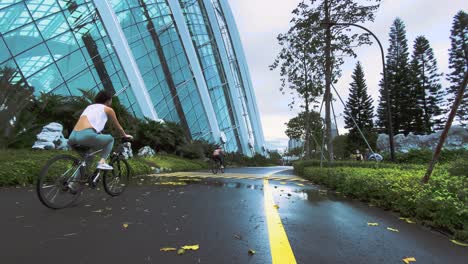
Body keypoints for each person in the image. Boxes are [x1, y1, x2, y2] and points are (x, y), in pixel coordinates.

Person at [68, 90, 133, 171]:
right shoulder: (108, 109)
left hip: (72, 137)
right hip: (85, 136)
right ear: (108, 100)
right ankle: (102, 163)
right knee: (110, 139)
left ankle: (73, 183)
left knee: (88, 159)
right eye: (111, 100)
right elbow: (118, 127)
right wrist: (125, 135)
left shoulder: (89, 107)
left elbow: (92, 124)